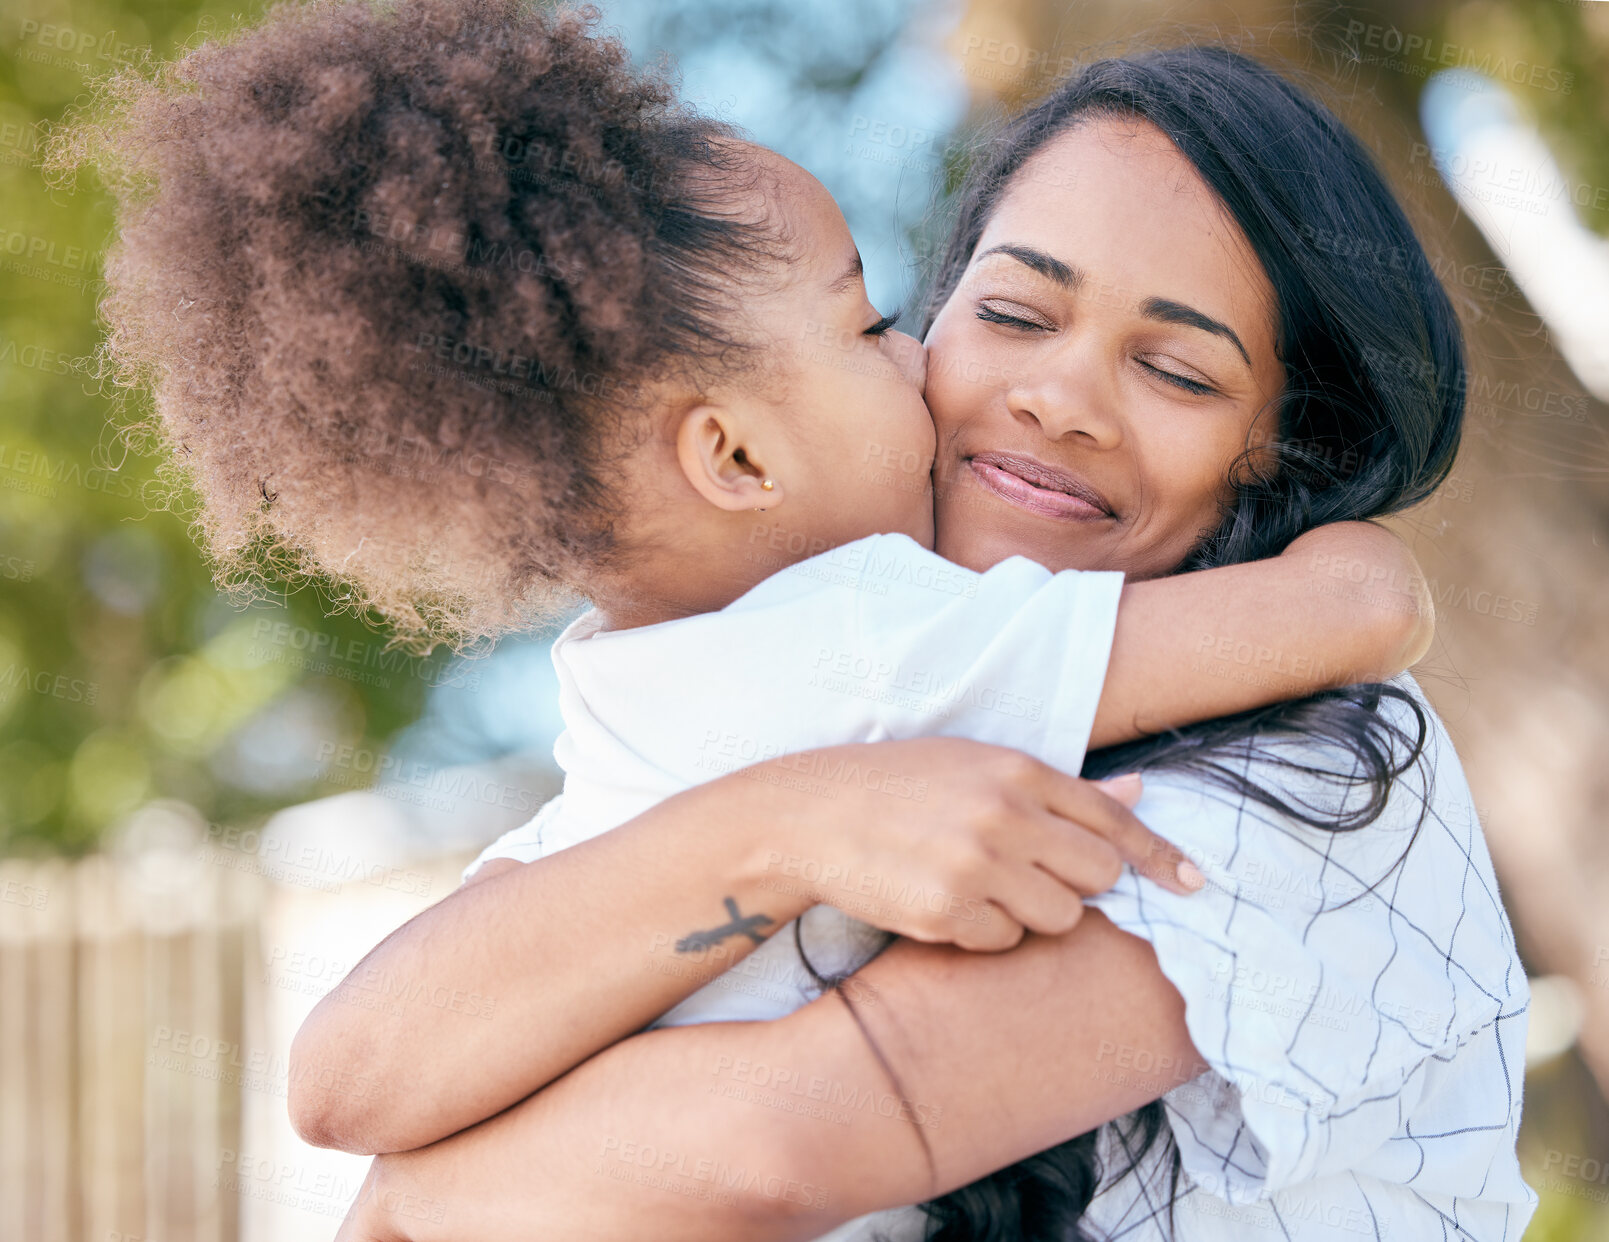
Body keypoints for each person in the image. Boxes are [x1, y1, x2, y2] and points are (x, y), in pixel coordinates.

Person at [61, 0, 1437, 1196]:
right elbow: (1350, 610)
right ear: (730, 454)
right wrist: (1361, 560)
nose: (962, 378)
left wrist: (415, 1199)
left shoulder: (622, 688)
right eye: (886, 324)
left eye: (1180, 371)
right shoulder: (881, 639)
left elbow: (347, 1088)